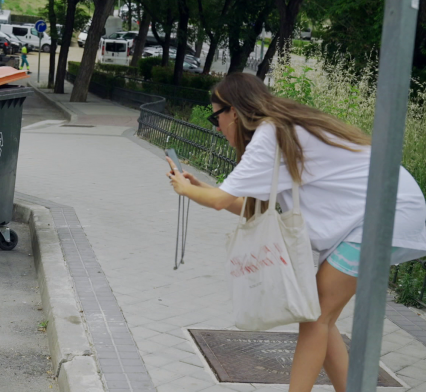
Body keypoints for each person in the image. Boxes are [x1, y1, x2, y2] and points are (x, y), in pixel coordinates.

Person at [166, 73, 426, 392]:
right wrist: (200, 188)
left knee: (315, 316)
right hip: (380, 211)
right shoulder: (278, 130)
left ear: (233, 111)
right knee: (319, 316)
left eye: (215, 116)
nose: (216, 126)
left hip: (387, 212)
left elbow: (221, 202)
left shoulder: (269, 133)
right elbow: (252, 209)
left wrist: (184, 189)